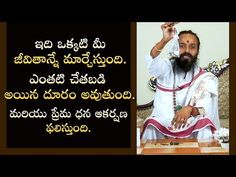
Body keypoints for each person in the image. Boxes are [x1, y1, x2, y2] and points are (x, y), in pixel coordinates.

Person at [141, 22, 220, 140]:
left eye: (192, 47)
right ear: (176, 48)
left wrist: (190, 109)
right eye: (182, 46)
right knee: (151, 123)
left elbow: (206, 108)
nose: (187, 50)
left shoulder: (205, 78)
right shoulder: (166, 68)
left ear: (197, 51)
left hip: (192, 124)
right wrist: (165, 40)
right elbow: (152, 61)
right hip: (164, 123)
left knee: (204, 122)